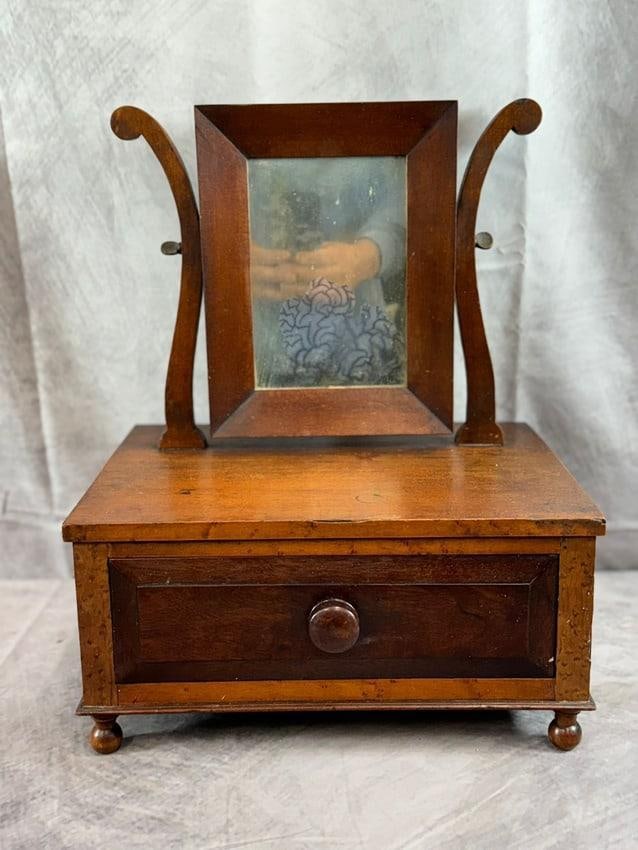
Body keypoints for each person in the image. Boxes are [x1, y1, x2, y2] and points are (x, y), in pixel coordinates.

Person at [248, 157, 406, 386]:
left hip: (359, 349)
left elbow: (411, 192)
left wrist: (369, 254)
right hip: (260, 350)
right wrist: (227, 250)